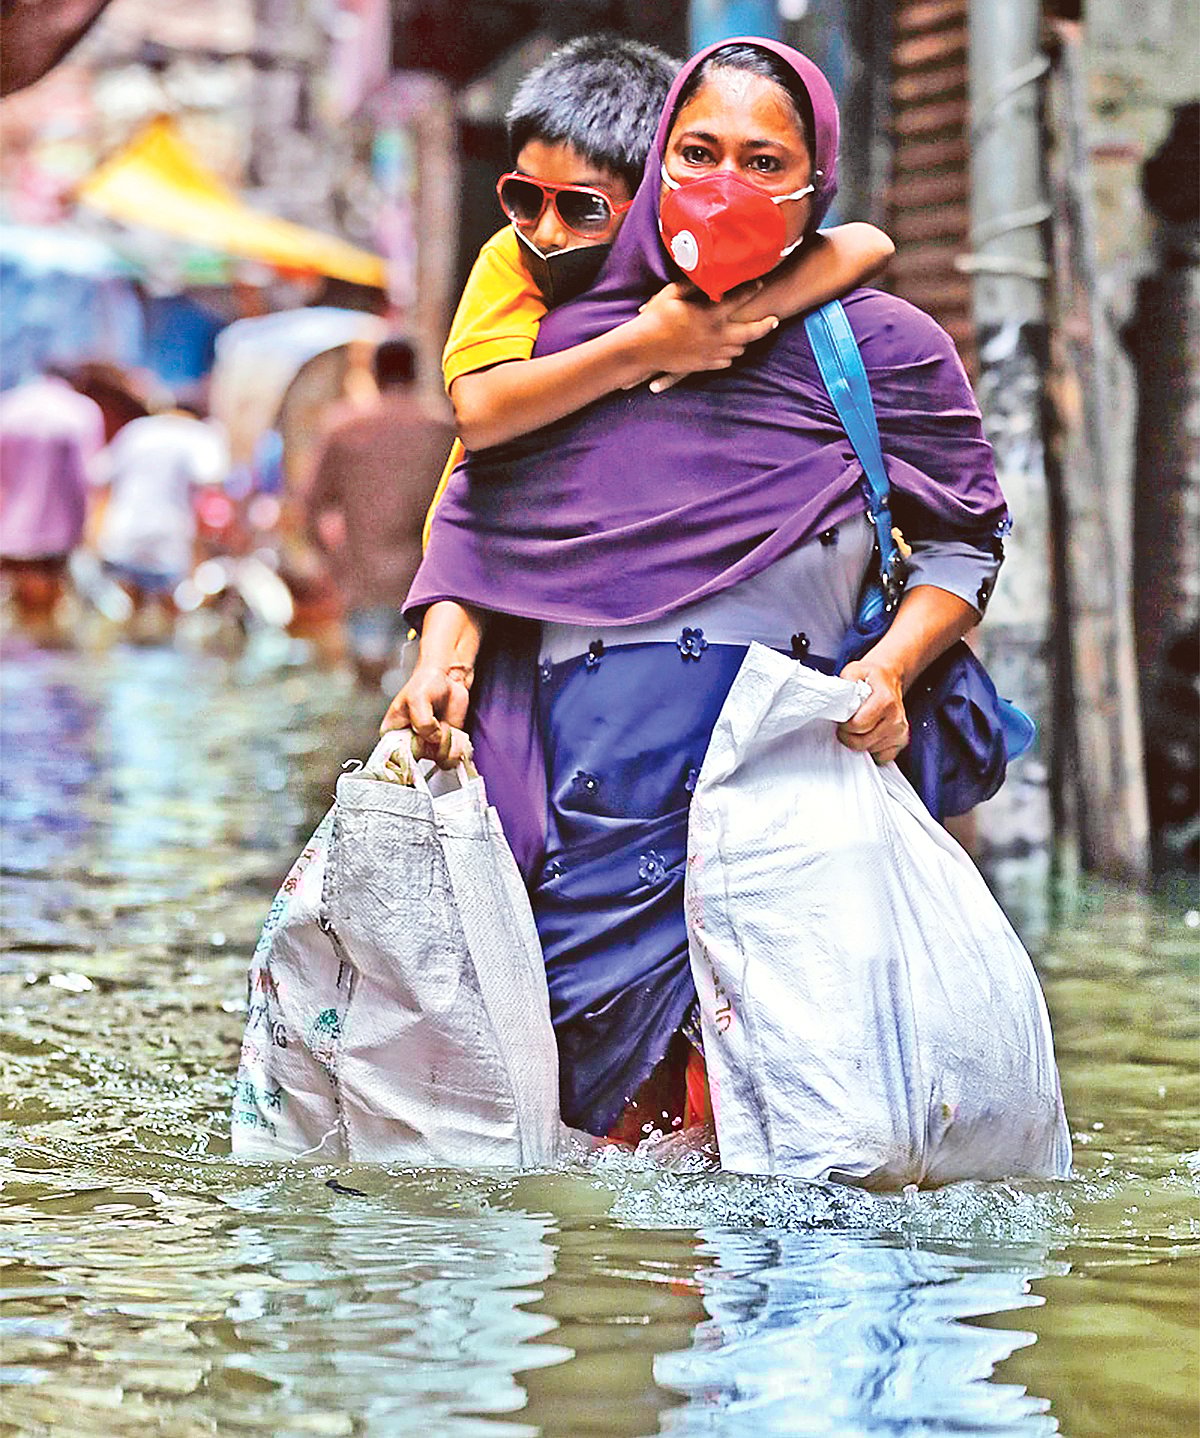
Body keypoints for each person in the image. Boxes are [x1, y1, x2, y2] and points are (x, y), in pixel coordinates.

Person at [389, 39, 1001, 1144]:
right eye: (699, 151)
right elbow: (479, 524)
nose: (727, 186)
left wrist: (891, 665)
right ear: (655, 168)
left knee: (797, 1147)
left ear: (819, 178)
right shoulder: (574, 348)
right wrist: (445, 652)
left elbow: (964, 542)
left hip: (791, 799)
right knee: (588, 1157)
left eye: (765, 162)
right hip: (585, 821)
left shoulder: (882, 348)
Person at [422, 33, 894, 544]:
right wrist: (647, 345)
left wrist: (720, 323)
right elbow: (480, 413)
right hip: (493, 540)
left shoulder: (696, 253)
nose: (549, 231)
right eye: (524, 197)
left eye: (585, 207)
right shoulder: (513, 254)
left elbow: (867, 244)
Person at [304, 338, 454, 689]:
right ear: (416, 373)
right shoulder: (444, 428)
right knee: (422, 697)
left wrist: (332, 563)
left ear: (375, 374)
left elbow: (311, 506)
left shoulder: (344, 429)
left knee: (369, 701)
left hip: (364, 584)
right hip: (427, 585)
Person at [92, 404, 229, 637]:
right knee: (171, 614)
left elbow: (100, 477)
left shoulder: (136, 431)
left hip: (123, 533)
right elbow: (213, 480)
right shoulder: (199, 435)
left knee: (126, 612)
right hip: (168, 537)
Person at [0, 367, 106, 639]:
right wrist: (88, 532)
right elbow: (90, 475)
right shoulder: (81, 410)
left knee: (16, 615)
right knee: (48, 622)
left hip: (9, 533)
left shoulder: (9, 406)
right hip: (57, 534)